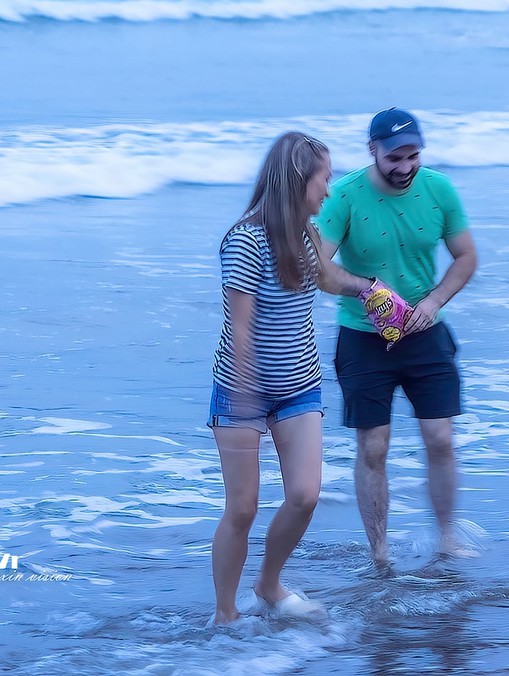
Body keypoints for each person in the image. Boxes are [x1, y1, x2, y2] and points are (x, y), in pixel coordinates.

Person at [208, 132, 370, 624]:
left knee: (304, 496)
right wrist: (245, 390)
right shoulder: (245, 241)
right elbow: (239, 329)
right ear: (299, 180)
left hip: (299, 385)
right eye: (325, 176)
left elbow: (325, 275)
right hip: (243, 391)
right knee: (242, 509)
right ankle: (225, 615)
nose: (330, 187)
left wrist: (368, 289)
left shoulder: (306, 234)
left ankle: (269, 584)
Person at [315, 107, 478, 567]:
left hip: (424, 331)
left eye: (413, 156)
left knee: (440, 438)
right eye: (395, 157)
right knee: (374, 445)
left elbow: (466, 257)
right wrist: (365, 288)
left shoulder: (439, 189)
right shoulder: (344, 195)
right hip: (363, 336)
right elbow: (319, 268)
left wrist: (432, 302)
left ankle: (447, 536)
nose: (405, 166)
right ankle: (380, 553)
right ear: (373, 151)